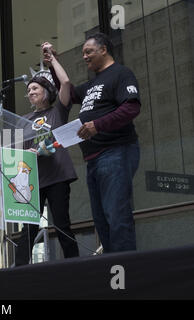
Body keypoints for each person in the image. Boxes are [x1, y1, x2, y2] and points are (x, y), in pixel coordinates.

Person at [61, 33, 141, 253]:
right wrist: (52, 63)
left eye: (89, 52)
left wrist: (97, 125)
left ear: (104, 49)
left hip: (116, 151)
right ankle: (112, 269)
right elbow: (66, 92)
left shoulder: (121, 74)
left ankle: (126, 270)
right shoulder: (91, 85)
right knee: (101, 219)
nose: (85, 57)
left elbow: (131, 108)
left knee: (116, 213)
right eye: (83, 53)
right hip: (93, 159)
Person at [14, 42, 79, 266]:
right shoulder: (24, 121)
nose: (30, 92)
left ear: (46, 91)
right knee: (28, 228)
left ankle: (74, 266)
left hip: (58, 176)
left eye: (35, 89)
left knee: (62, 222)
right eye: (29, 90)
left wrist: (52, 59)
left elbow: (67, 83)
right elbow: (18, 152)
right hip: (33, 180)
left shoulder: (57, 110)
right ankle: (19, 271)